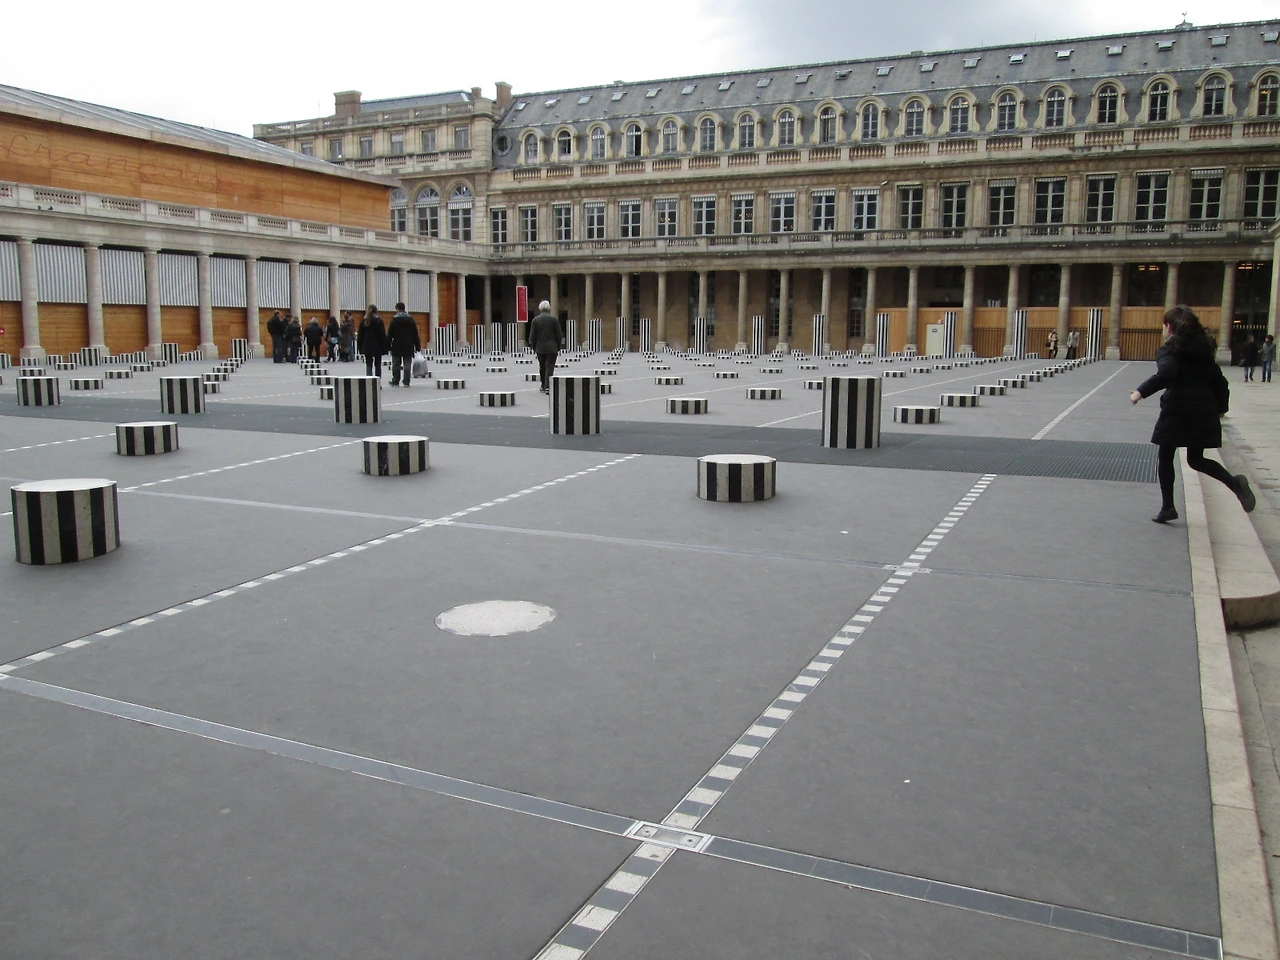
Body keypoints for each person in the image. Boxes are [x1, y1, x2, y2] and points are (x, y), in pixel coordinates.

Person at [1130, 305, 1255, 524]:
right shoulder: (1204, 349)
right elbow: (1220, 381)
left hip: (1178, 409)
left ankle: (1168, 506)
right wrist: (1221, 408)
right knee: (1196, 459)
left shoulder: (1171, 349)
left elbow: (1168, 373)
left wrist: (1140, 392)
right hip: (1203, 409)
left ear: (1169, 327)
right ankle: (1234, 483)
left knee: (1166, 455)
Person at [526, 300, 564, 394]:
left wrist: (534, 347)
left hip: (540, 348)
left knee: (542, 366)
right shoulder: (553, 319)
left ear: (540, 308)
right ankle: (548, 386)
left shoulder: (535, 320)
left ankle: (543, 385)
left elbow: (532, 336)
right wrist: (558, 346)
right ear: (549, 308)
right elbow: (559, 335)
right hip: (552, 348)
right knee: (550, 367)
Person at [387, 302, 420, 387]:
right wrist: (417, 347)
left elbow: (390, 334)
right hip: (408, 345)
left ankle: (395, 380)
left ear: (397, 308)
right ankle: (406, 381)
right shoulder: (411, 320)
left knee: (396, 364)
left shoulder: (394, 320)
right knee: (407, 364)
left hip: (397, 345)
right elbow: (415, 334)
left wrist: (387, 345)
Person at [357, 305, 388, 380]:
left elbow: (360, 335)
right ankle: (377, 382)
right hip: (377, 346)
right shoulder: (379, 321)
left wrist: (360, 348)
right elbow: (382, 335)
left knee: (368, 365)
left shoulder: (363, 321)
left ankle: (369, 381)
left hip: (367, 346)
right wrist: (385, 347)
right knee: (377, 365)